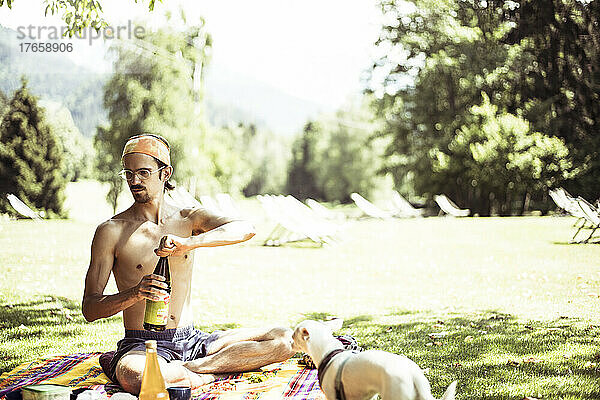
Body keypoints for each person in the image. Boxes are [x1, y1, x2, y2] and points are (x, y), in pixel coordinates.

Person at [82, 134, 295, 394]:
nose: (134, 181)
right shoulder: (111, 231)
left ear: (165, 173)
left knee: (284, 340)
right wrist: (135, 293)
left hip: (192, 339)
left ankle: (190, 371)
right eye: (128, 173)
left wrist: (189, 243)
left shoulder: (188, 217)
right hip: (141, 344)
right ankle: (208, 371)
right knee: (137, 378)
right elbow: (90, 308)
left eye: (143, 172)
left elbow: (246, 229)